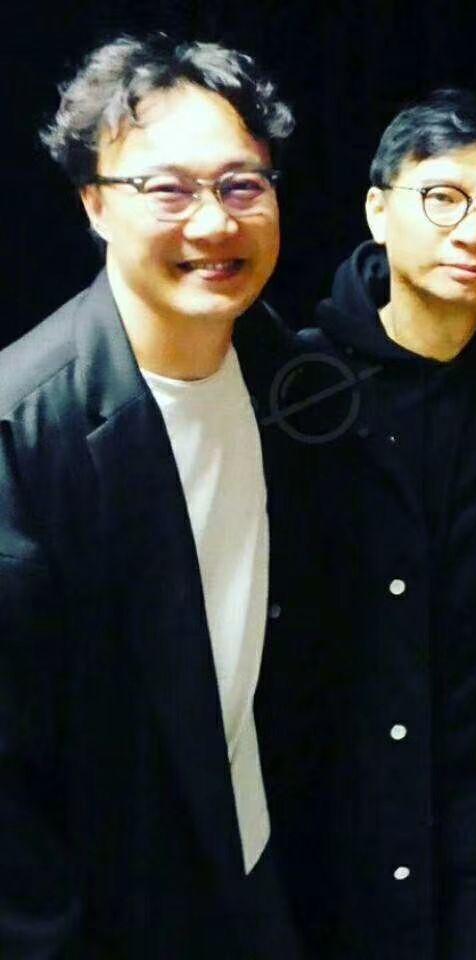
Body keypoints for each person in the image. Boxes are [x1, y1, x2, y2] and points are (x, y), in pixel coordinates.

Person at [0, 35, 309, 957]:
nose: (214, 224)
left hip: (262, 874)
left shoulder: (286, 374)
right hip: (110, 907)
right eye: (168, 190)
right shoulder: (23, 429)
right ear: (95, 202)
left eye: (242, 185)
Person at [287, 89, 476, 959]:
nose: (475, 232)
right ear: (378, 211)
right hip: (332, 811)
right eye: (444, 198)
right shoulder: (296, 388)